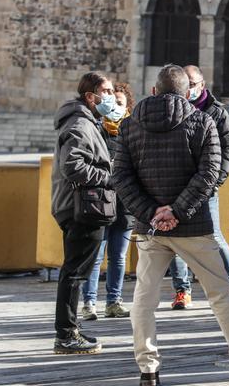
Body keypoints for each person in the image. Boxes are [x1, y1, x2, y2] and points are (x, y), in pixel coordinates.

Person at [114, 65, 229, 385]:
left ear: (154, 90)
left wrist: (153, 212)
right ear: (189, 93)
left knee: (144, 299)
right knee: (221, 294)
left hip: (151, 229)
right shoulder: (202, 121)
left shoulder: (130, 125)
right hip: (194, 226)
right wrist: (178, 210)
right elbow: (209, 175)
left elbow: (121, 178)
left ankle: (148, 368)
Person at [168, 65, 229, 310]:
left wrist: (215, 181)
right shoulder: (173, 107)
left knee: (214, 237)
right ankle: (182, 290)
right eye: (185, 83)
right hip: (176, 186)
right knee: (175, 241)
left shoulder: (217, 112)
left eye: (193, 83)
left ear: (202, 84)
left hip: (205, 186)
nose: (188, 88)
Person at [51, 72, 115, 354]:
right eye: (107, 91)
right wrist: (108, 174)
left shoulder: (88, 122)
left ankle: (70, 330)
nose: (111, 97)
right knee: (75, 273)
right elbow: (73, 166)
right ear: (91, 97)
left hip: (82, 205)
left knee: (75, 271)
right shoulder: (79, 124)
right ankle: (65, 335)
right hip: (82, 207)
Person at [80, 83, 136, 321]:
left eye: (120, 103)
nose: (115, 107)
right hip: (100, 201)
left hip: (124, 204)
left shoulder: (134, 130)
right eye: (113, 102)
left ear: (127, 107)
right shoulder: (96, 128)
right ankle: (89, 303)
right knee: (95, 256)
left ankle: (113, 301)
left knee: (118, 257)